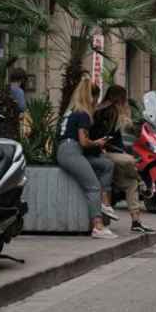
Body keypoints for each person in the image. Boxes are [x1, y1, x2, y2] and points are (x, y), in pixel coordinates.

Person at [57, 76, 117, 239]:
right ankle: (97, 226)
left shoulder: (71, 111)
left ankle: (105, 202)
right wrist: (98, 143)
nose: (96, 103)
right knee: (93, 186)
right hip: (71, 151)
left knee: (106, 165)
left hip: (67, 150)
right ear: (92, 97)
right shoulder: (83, 114)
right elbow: (84, 142)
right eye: (96, 99)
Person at [92, 85, 156, 235]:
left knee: (130, 183)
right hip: (106, 153)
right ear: (120, 98)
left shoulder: (104, 110)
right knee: (131, 162)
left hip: (111, 152)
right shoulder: (110, 111)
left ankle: (136, 222)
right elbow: (103, 137)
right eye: (124, 98)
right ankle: (142, 182)